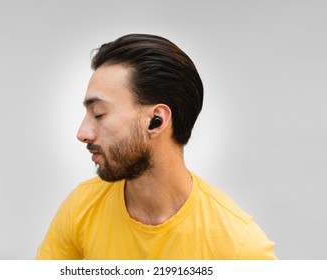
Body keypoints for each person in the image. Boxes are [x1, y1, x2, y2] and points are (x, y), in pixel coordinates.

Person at [36, 33, 277, 260]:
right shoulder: (82, 207)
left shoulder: (239, 247)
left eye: (99, 114)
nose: (83, 133)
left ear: (156, 120)